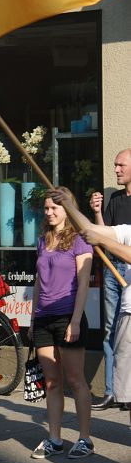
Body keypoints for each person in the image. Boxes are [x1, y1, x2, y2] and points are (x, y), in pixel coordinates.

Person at [50, 187, 131, 463]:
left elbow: (107, 243)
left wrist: (106, 243)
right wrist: (71, 205)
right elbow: (91, 229)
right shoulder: (127, 229)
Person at [29, 192, 94, 459]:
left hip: (68, 316)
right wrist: (33, 319)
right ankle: (54, 439)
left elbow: (83, 283)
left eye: (54, 207)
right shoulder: (43, 241)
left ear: (67, 208)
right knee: (52, 382)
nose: (49, 212)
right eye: (46, 208)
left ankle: (85, 439)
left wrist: (76, 320)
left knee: (77, 380)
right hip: (44, 318)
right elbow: (37, 281)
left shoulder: (80, 240)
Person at [89, 149, 131, 411]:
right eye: (114, 165)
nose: (115, 169)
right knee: (110, 330)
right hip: (112, 268)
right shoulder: (115, 199)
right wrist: (94, 212)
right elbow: (104, 234)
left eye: (120, 165)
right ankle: (112, 391)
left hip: (126, 267)